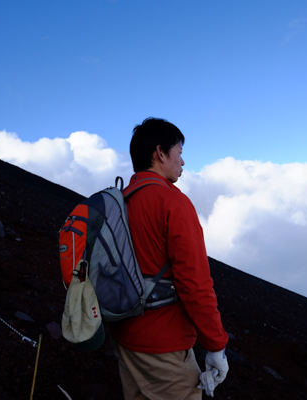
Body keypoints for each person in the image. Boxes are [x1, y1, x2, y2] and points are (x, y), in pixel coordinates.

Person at [109, 117, 229, 399]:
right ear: (160, 153)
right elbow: (195, 283)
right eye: (179, 153)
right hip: (164, 346)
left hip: (124, 335)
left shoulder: (119, 202)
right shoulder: (173, 203)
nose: (183, 162)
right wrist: (216, 345)